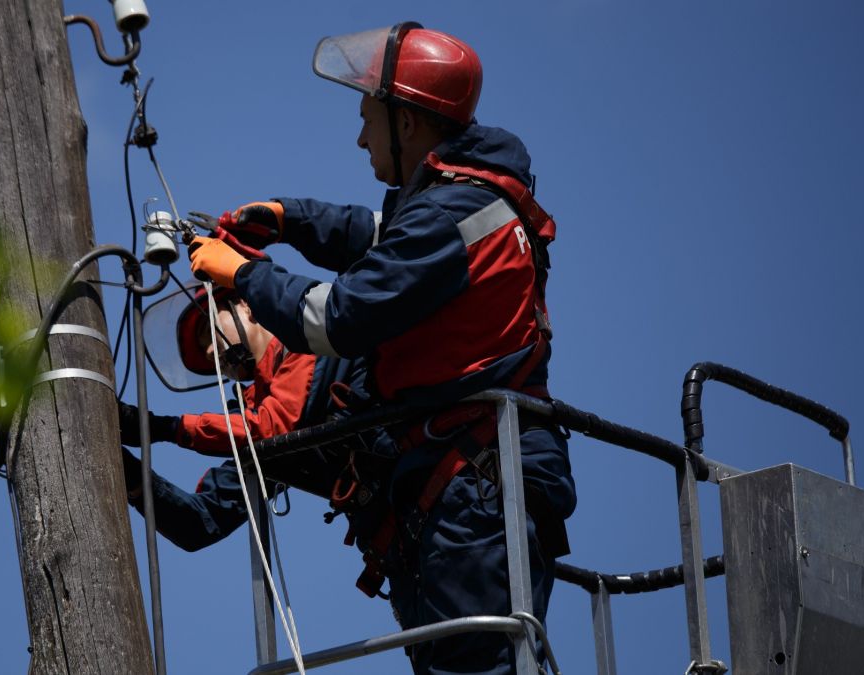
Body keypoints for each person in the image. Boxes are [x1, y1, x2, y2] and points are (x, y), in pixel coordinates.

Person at [188, 23, 576, 675]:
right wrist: (286, 217)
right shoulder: (464, 203)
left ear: (409, 123)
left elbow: (332, 318)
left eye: (370, 118)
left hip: (470, 491)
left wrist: (242, 273)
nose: (361, 137)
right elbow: (373, 234)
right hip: (473, 488)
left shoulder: (447, 217)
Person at [118, 284, 391, 551]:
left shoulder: (308, 336)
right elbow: (200, 522)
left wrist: (166, 428)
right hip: (400, 549)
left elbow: (274, 425)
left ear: (246, 306)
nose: (210, 353)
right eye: (204, 350)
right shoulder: (253, 416)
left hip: (424, 493)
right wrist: (129, 473)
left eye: (209, 330)